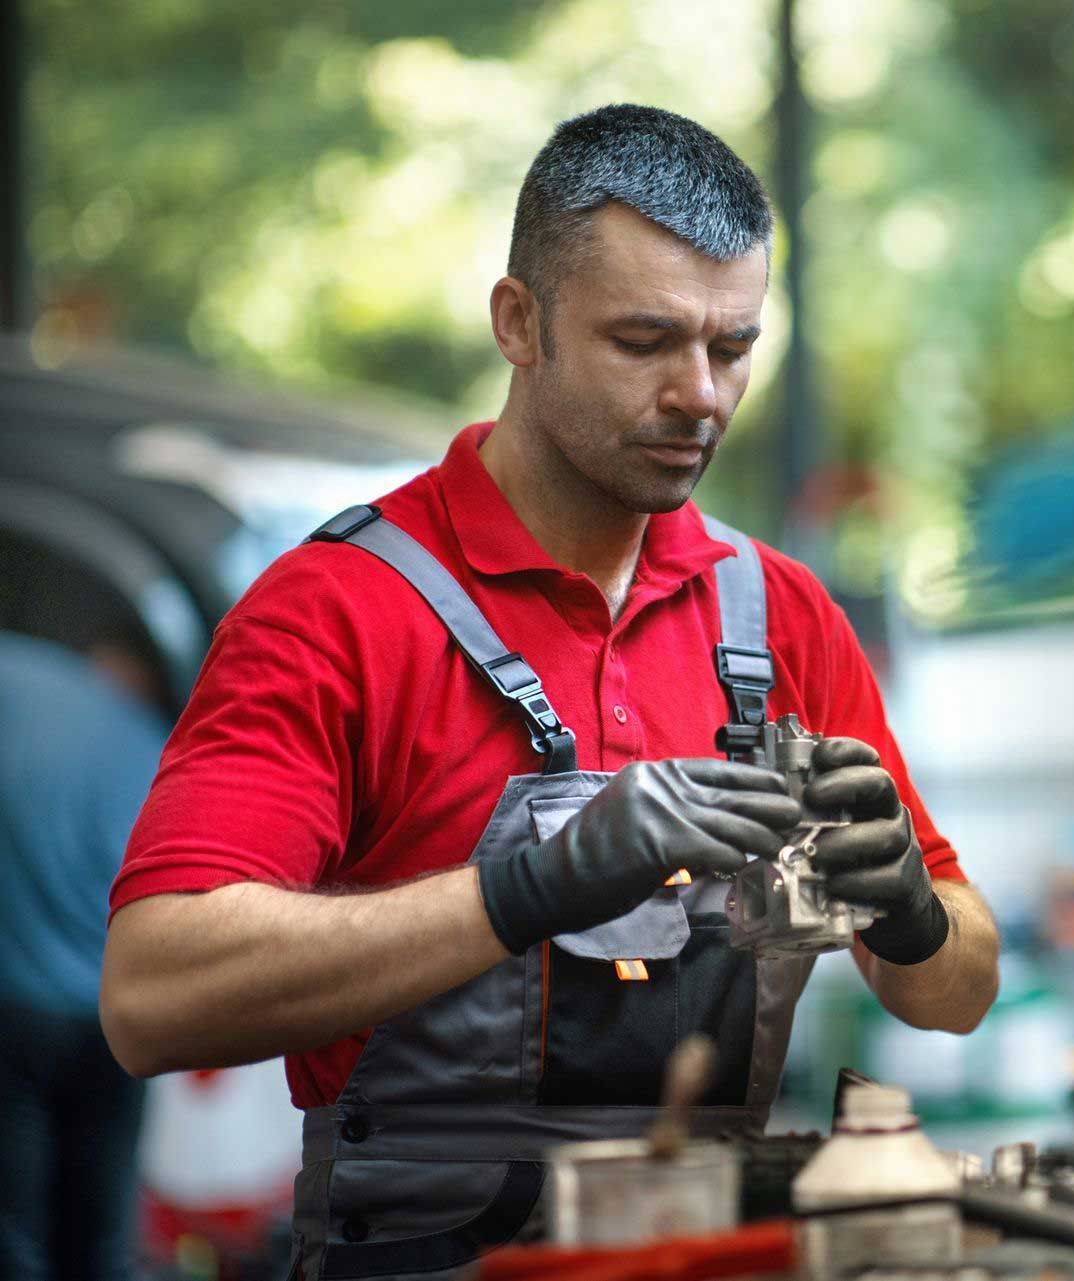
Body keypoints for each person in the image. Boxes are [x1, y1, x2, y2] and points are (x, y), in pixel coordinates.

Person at [100, 104, 1000, 1280]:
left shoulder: (781, 615)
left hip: (707, 1256)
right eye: (645, 341)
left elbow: (955, 996)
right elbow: (152, 997)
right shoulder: (336, 612)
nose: (701, 395)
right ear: (519, 323)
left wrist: (913, 917)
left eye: (733, 347)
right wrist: (519, 893)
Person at [0, 627, 169, 1280]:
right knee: (100, 1240)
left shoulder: (18, 678)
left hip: (17, 1004)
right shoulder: (160, 747)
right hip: (118, 1020)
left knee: (15, 1238)